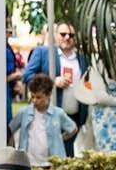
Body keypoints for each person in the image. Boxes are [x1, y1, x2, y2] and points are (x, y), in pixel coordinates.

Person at [23, 23, 87, 156]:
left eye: (71, 35)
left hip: (73, 116)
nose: (67, 37)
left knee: (67, 157)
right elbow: (27, 76)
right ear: (56, 36)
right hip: (47, 114)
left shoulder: (82, 59)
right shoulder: (43, 53)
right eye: (63, 34)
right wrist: (52, 81)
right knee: (44, 155)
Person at [12, 75, 78, 166]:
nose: (34, 101)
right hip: (28, 163)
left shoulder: (58, 113)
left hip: (51, 164)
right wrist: (13, 150)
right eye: (32, 96)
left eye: (39, 97)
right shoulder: (24, 113)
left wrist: (59, 139)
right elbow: (9, 130)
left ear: (49, 94)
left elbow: (73, 129)